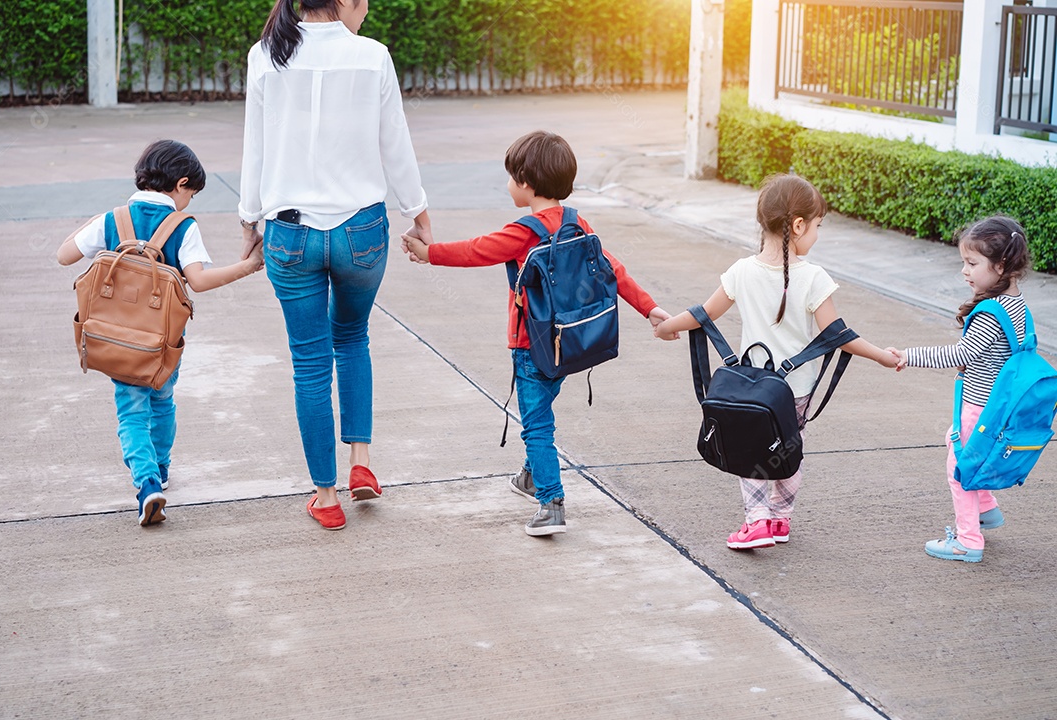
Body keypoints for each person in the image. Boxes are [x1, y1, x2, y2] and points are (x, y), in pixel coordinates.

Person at [403, 130, 670, 536]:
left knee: (537, 425)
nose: (508, 183)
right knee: (540, 412)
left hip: (532, 347)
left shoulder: (523, 231)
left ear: (526, 182)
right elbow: (614, 270)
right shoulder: (576, 222)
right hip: (570, 346)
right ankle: (531, 476)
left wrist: (430, 254)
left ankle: (551, 502)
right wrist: (650, 308)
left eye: (511, 176)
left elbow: (477, 250)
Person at [238, 0, 433, 531]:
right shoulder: (373, 57)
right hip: (362, 233)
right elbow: (396, 142)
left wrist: (248, 221)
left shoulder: (266, 55)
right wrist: (418, 214)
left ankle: (326, 497)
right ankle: (362, 462)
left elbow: (254, 146)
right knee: (352, 337)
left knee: (309, 364)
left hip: (290, 234)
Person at [653, 173, 898, 550]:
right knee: (787, 447)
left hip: (752, 389)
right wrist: (882, 356)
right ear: (798, 225)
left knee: (747, 448)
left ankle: (757, 522)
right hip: (794, 393)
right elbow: (840, 336)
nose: (816, 235)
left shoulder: (741, 271)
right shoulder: (814, 278)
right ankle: (779, 521)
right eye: (817, 226)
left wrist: (668, 326)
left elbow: (704, 314)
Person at [57, 139, 264, 526]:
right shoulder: (182, 226)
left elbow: (64, 255)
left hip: (116, 341)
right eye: (191, 193)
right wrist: (249, 267)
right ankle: (163, 468)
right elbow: (198, 281)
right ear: (181, 182)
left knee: (131, 413)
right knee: (163, 401)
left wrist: (96, 222)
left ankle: (147, 482)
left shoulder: (112, 219)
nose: (190, 202)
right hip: (161, 344)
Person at [890, 217, 1031, 563]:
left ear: (1000, 265)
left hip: (979, 408)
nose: (964, 272)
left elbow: (961, 353)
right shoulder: (1018, 304)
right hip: (997, 407)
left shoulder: (991, 313)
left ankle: (968, 541)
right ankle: (987, 510)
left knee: (960, 470)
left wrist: (910, 356)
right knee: (967, 455)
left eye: (972, 263)